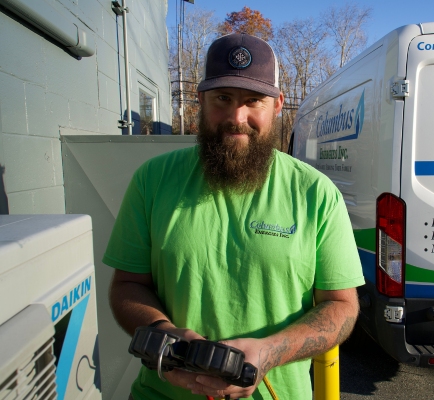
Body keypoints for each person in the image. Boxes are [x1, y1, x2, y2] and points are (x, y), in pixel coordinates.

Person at [104, 33, 364, 400]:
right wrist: (165, 335)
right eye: (222, 99)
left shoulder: (316, 193)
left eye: (253, 101)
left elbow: (342, 306)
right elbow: (126, 285)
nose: (236, 118)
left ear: (277, 105)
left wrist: (271, 352)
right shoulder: (153, 180)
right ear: (200, 101)